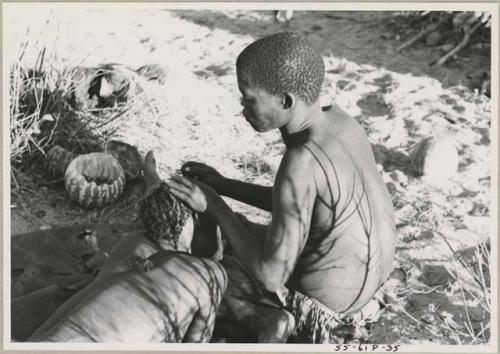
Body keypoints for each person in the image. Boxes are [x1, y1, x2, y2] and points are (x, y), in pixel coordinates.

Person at [166, 32, 398, 343]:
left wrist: (215, 206)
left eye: (249, 99)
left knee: (195, 274)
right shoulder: (343, 123)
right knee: (241, 229)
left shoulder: (300, 161)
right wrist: (223, 185)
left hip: (324, 311)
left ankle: (269, 319)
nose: (243, 108)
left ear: (285, 101)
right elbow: (305, 206)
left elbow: (270, 275)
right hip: (365, 291)